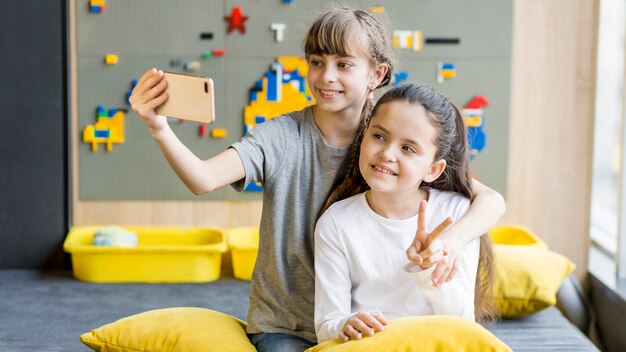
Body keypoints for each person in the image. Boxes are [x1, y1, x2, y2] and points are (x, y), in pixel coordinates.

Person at [129, 8, 503, 352]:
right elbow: (204, 178)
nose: (327, 76)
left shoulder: (389, 133)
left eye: (343, 64)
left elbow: (487, 201)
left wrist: (452, 242)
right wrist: (158, 127)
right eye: (316, 62)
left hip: (358, 323)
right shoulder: (283, 136)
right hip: (287, 323)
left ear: (377, 74)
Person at [314, 83, 498, 343]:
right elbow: (326, 326)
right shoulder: (336, 222)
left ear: (433, 169)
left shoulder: (455, 213)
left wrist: (429, 268)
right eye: (379, 136)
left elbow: (461, 321)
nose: (387, 153)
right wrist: (346, 325)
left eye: (408, 148)